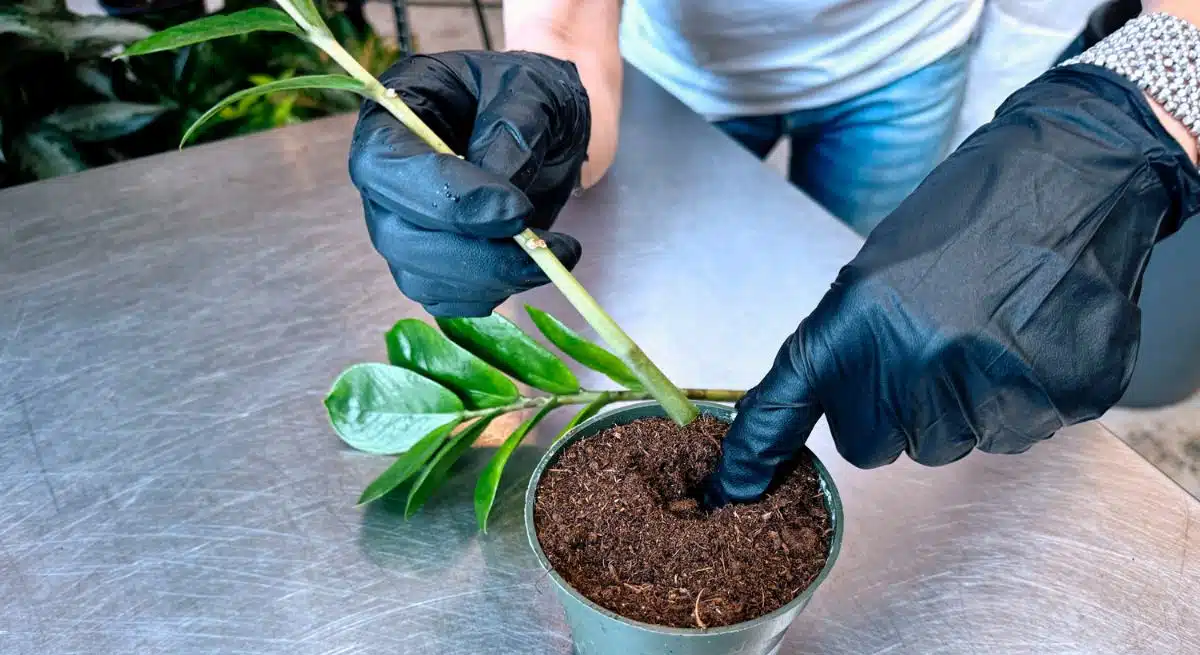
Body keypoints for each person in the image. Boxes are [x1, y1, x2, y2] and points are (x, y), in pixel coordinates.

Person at [347, 1, 1200, 506]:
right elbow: (566, 21)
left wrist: (1145, 109)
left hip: (908, 57)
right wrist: (543, 113)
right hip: (686, 74)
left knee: (853, 297)